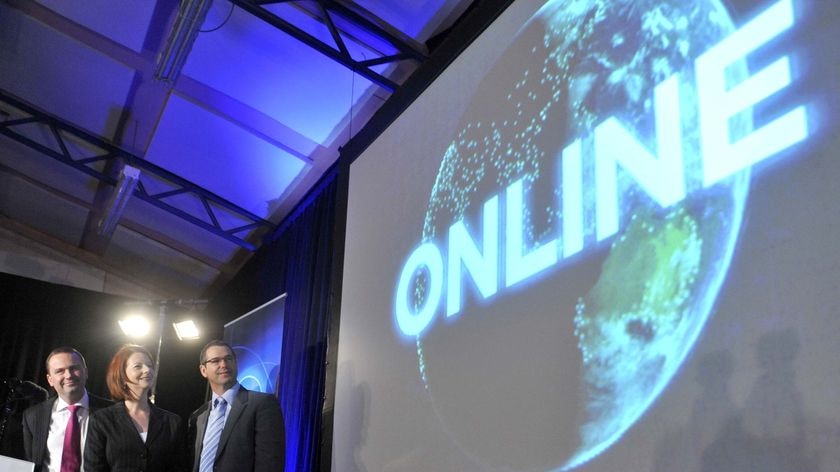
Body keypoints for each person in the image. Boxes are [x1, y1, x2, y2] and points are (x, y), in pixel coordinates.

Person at [83, 344, 186, 471]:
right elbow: (94, 468)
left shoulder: (172, 422)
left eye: (150, 366)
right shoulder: (101, 420)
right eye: (138, 366)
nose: (147, 370)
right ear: (122, 375)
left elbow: (179, 467)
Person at [187, 340, 285, 472]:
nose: (224, 365)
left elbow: (270, 463)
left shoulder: (262, 404)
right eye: (216, 361)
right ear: (203, 370)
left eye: (228, 359)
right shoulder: (198, 416)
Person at [22, 347, 112, 472]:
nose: (68, 375)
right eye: (60, 371)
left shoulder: (112, 412)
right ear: (50, 380)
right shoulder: (32, 416)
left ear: (86, 372)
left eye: (74, 368)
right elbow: (30, 462)